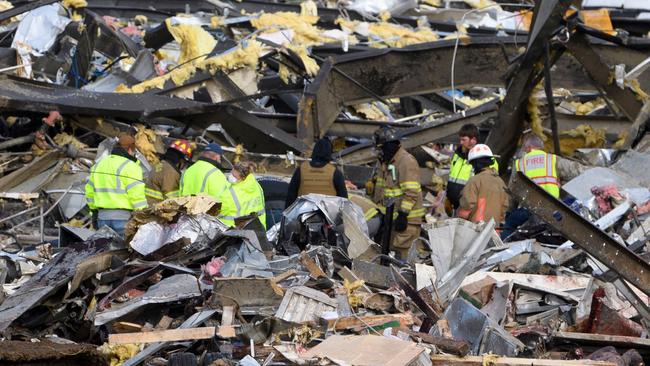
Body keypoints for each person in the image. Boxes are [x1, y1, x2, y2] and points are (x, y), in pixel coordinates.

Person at [369, 127, 424, 259]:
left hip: (406, 220)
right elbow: (384, 189)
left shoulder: (406, 161)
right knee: (387, 255)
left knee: (402, 257)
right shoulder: (386, 161)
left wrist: (403, 214)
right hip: (389, 218)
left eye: (381, 148)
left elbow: (411, 191)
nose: (380, 151)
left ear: (389, 146)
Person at [85, 134, 147, 237]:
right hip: (123, 219)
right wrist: (143, 217)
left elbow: (89, 193)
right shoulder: (131, 167)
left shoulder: (99, 165)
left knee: (105, 250)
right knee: (122, 251)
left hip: (102, 218)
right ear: (130, 150)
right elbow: (137, 197)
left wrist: (94, 213)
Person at [501, 133, 560, 239]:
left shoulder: (520, 163)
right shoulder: (552, 159)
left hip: (530, 209)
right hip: (553, 208)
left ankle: (502, 246)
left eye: (524, 147)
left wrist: (510, 212)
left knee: (509, 224)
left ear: (528, 147)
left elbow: (513, 191)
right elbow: (573, 170)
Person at [447, 124, 498, 210]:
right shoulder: (457, 155)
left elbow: (487, 188)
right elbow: (451, 176)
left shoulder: (486, 160)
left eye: (464, 140)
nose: (461, 143)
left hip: (469, 208)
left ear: (473, 140)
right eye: (460, 139)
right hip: (454, 206)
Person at [285, 138, 347, 207]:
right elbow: (344, 200)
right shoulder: (335, 173)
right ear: (329, 153)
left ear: (314, 151)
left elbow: (290, 197)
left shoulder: (301, 170)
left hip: (303, 213)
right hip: (328, 215)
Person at [457, 144, 509, 225]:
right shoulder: (501, 182)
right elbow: (504, 209)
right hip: (493, 230)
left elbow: (465, 211)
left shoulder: (475, 180)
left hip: (475, 230)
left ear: (476, 164)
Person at [219, 163, 267, 229]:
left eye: (234, 176)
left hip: (235, 234)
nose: (230, 176)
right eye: (231, 173)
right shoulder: (257, 186)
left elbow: (216, 212)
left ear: (243, 177)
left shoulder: (230, 193)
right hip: (259, 231)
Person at [145, 139, 192, 205]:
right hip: (156, 210)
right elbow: (172, 201)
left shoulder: (160, 165)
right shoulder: (171, 173)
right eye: (184, 163)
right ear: (181, 160)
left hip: (149, 205)